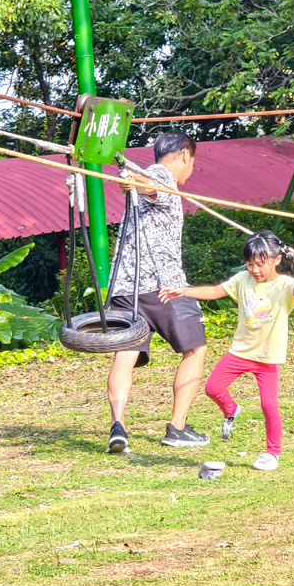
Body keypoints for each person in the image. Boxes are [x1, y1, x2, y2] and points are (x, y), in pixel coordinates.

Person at [159, 231, 294, 472]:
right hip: (240, 351)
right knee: (213, 388)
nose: (254, 270)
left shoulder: (284, 285)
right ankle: (231, 410)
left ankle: (273, 453)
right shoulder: (242, 279)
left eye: (260, 264)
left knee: (269, 405)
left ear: (277, 260)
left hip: (267, 357)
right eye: (250, 264)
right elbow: (216, 291)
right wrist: (184, 291)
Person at [106, 132, 209, 453]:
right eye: (192, 162)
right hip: (162, 285)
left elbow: (142, 183)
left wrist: (132, 180)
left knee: (126, 354)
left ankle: (118, 426)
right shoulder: (164, 176)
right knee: (196, 349)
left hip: (123, 286)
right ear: (185, 157)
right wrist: (135, 180)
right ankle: (177, 429)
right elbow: (152, 184)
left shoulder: (150, 180)